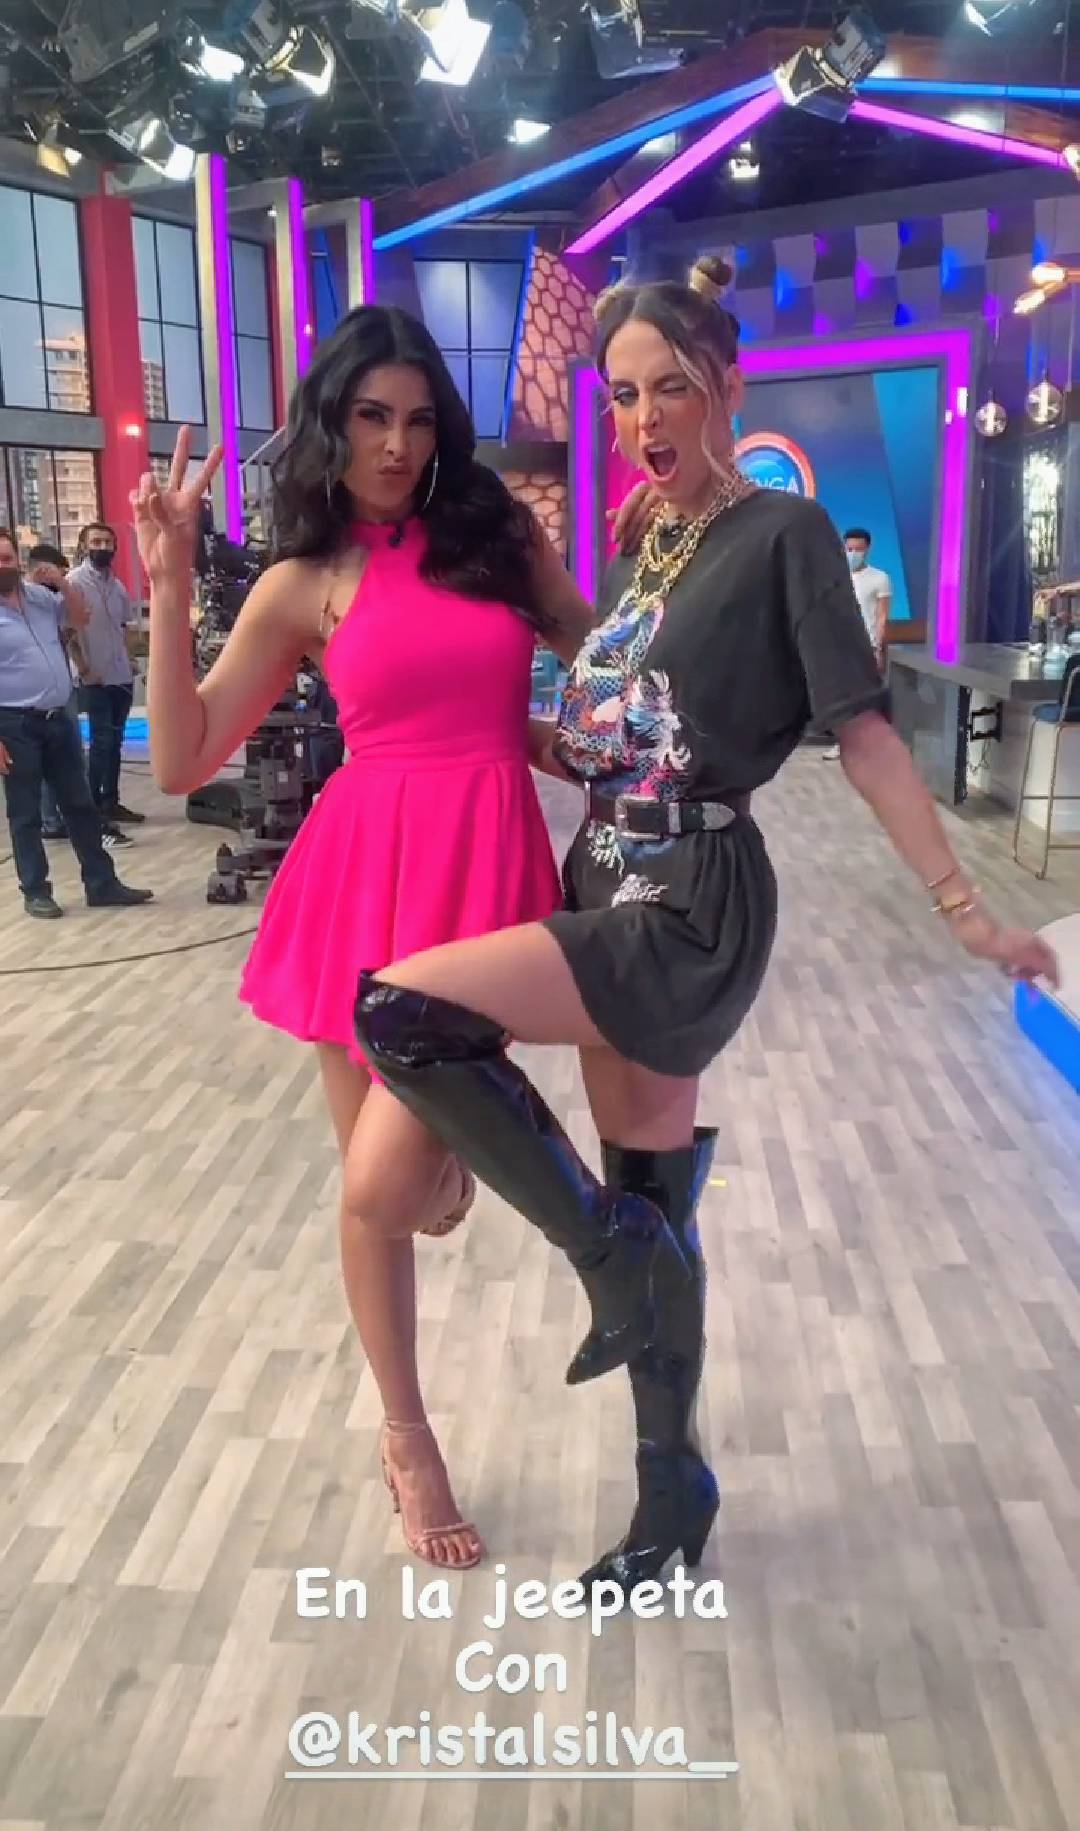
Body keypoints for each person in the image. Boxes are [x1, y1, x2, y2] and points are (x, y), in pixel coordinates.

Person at [352, 253, 1060, 1598]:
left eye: (669, 387)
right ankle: (673, 1482)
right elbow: (613, 736)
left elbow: (863, 736)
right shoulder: (642, 544)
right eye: (622, 396)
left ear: (729, 386)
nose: (644, 419)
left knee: (403, 1009)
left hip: (689, 896)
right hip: (602, 863)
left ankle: (610, 1258)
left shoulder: (786, 533)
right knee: (653, 1190)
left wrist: (965, 911)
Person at [137, 305, 616, 1571]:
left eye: (415, 419)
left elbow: (583, 648)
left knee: (397, 1187)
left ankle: (452, 1170)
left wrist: (579, 731)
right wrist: (172, 583)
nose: (397, 445)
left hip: (483, 880)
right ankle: (407, 1435)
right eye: (370, 417)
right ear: (331, 424)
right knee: (382, 1200)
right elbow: (183, 758)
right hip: (361, 884)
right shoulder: (307, 582)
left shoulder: (495, 535)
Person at [0, 529, 153, 919]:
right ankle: (36, 890)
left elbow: (80, 618)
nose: (4, 566)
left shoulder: (39, 598)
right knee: (25, 813)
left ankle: (102, 884)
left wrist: (63, 583)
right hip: (14, 724)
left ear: (19, 560)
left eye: (8, 558)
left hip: (58, 718)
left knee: (80, 804)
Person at [69, 521, 144, 825]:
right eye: (96, 542)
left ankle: (111, 802)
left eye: (107, 542)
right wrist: (84, 668)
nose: (102, 547)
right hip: (94, 678)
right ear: (84, 546)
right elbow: (67, 631)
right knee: (101, 742)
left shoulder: (118, 586)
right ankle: (91, 808)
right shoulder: (74, 582)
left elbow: (124, 627)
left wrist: (130, 660)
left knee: (115, 742)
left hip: (120, 676)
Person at [822, 527, 891, 760]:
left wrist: (878, 648)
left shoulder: (879, 578)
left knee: (865, 700)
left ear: (868, 549)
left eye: (858, 550)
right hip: (838, 645)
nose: (853, 554)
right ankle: (842, 744)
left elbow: (882, 616)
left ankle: (870, 748)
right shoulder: (836, 576)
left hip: (866, 645)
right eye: (849, 549)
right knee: (840, 699)